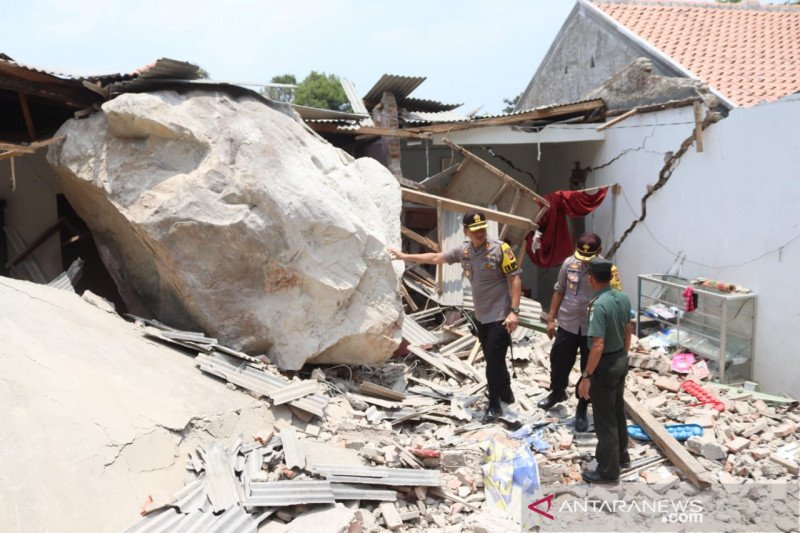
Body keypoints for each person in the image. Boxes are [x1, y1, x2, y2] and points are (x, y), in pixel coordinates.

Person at [389, 211, 522, 420]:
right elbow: (436, 257)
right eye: (476, 230)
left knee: (493, 362)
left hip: (500, 316)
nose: (480, 234)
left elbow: (514, 279)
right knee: (492, 357)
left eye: (483, 229)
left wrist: (514, 312)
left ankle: (495, 403)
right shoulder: (464, 250)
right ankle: (506, 391)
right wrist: (405, 257)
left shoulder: (500, 249)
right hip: (481, 315)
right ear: (466, 231)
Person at [538, 233, 621, 433]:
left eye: (588, 258)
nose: (583, 262)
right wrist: (551, 318)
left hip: (592, 328)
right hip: (567, 323)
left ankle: (582, 407)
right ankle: (557, 392)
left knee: (588, 368)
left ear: (599, 252)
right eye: (581, 257)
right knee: (558, 359)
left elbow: (615, 298)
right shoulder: (569, 263)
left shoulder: (608, 270)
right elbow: (559, 290)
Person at [578, 257, 632, 483]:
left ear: (591, 278)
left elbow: (597, 345)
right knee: (617, 410)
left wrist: (586, 376)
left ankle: (608, 470)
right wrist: (623, 354)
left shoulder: (599, 305)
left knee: (604, 418)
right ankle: (621, 456)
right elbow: (628, 329)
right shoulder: (622, 297)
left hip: (605, 365)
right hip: (620, 359)